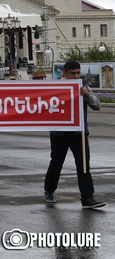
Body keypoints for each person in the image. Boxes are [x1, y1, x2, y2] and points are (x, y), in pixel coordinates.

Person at [43, 61, 105, 209]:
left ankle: (87, 198)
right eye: (73, 73)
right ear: (64, 73)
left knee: (83, 166)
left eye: (78, 73)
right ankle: (49, 190)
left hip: (79, 134)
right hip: (60, 133)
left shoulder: (83, 87)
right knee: (56, 163)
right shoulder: (56, 87)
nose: (76, 76)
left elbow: (97, 105)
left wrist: (87, 94)